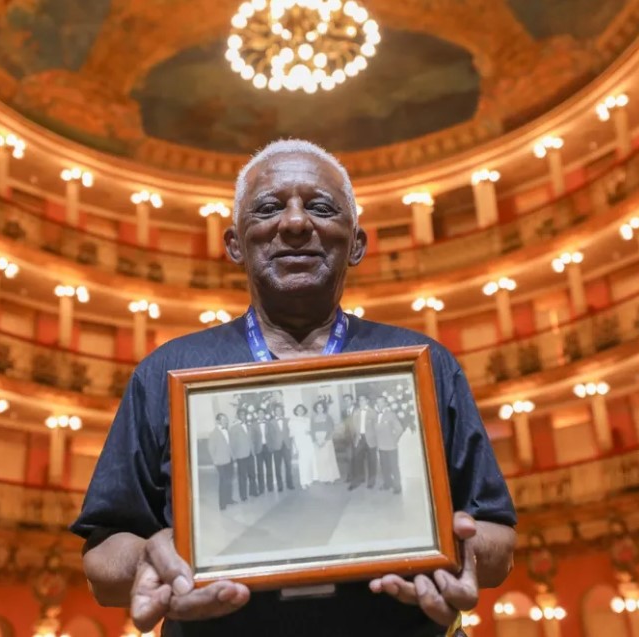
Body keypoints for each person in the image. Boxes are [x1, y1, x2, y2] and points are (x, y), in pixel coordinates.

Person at [71, 139, 517, 637]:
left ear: (357, 243)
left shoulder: (426, 367)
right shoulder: (167, 372)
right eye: (268, 208)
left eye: (322, 208)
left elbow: (496, 540)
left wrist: (461, 553)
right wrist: (149, 562)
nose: (296, 223)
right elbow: (103, 563)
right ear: (235, 243)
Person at [374, 396, 404, 494]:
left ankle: (397, 487)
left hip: (391, 447)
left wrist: (393, 440)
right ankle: (387, 484)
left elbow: (399, 429)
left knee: (394, 467)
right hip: (381, 447)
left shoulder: (391, 415)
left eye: (381, 402)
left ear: (386, 403)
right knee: (384, 467)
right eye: (377, 402)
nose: (379, 404)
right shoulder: (376, 415)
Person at [348, 394, 378, 490]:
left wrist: (375, 439)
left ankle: (371, 481)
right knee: (357, 460)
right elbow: (352, 426)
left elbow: (376, 427)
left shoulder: (373, 412)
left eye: (363, 400)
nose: (361, 402)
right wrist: (355, 436)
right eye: (359, 400)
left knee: (372, 461)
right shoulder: (356, 412)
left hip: (370, 439)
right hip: (359, 438)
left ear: (367, 401)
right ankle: (358, 480)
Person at [206, 414, 234, 511]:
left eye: (226, 420)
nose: (226, 421)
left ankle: (229, 499)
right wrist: (215, 461)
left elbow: (229, 445)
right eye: (223, 420)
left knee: (229, 481)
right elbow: (211, 449)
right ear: (218, 421)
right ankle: (222, 504)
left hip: (229, 460)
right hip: (220, 462)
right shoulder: (214, 433)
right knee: (223, 482)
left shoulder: (227, 431)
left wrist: (232, 457)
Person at [310, 399, 342, 483]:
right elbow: (312, 430)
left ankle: (331, 477)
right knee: (320, 460)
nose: (319, 409)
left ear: (324, 408)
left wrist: (324, 440)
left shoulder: (328, 417)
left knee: (327, 458)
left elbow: (331, 429)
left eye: (321, 407)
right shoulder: (313, 418)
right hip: (317, 440)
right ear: (315, 408)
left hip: (326, 439)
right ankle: (323, 477)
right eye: (317, 407)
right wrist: (316, 441)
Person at [267, 403, 294, 492]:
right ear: (274, 412)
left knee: (288, 466)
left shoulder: (287, 420)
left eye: (280, 410)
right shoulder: (271, 422)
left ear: (282, 411)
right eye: (277, 410)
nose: (278, 412)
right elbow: (269, 436)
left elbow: (291, 433)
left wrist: (290, 444)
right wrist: (271, 447)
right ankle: (280, 485)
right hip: (276, 447)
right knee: (278, 467)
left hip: (286, 446)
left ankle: (290, 484)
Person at [229, 412, 256, 501]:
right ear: (238, 416)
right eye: (241, 415)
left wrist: (253, 451)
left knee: (252, 474)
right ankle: (243, 495)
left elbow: (251, 440)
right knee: (242, 476)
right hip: (241, 456)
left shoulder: (249, 426)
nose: (243, 417)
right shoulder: (233, 428)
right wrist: (234, 456)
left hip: (250, 454)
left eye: (244, 415)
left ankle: (253, 491)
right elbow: (232, 444)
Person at [290, 403, 316, 489]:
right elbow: (292, 435)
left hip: (308, 442)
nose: (300, 411)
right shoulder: (292, 421)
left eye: (302, 409)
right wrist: (295, 447)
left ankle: (309, 480)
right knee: (302, 463)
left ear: (304, 411)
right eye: (298, 410)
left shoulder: (307, 420)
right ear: (296, 411)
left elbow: (311, 431)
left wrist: (310, 433)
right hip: (299, 442)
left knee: (309, 461)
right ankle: (303, 482)